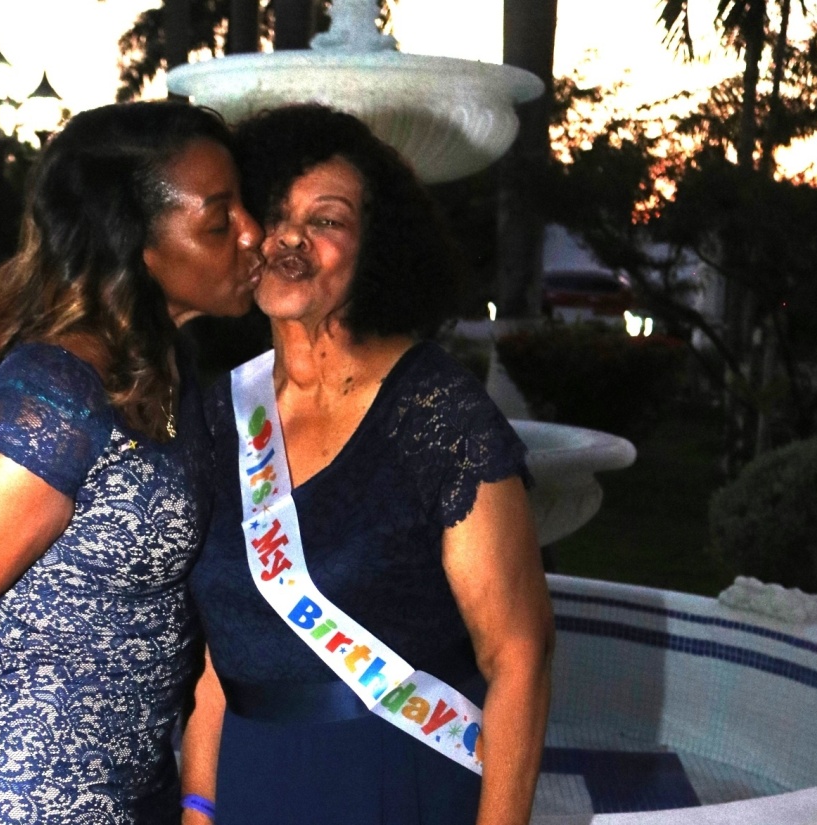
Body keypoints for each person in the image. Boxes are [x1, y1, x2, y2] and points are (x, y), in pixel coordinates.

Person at [0, 100, 263, 825]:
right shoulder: (56, 390)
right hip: (18, 797)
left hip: (135, 786)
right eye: (219, 219)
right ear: (136, 242)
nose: (253, 233)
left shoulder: (170, 365)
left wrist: (196, 794)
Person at [181, 104, 555, 825]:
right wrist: (199, 805)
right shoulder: (213, 417)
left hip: (398, 783)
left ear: (373, 246)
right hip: (254, 783)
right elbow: (213, 656)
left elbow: (520, 652)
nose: (293, 239)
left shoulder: (436, 411)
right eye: (274, 214)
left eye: (327, 220)